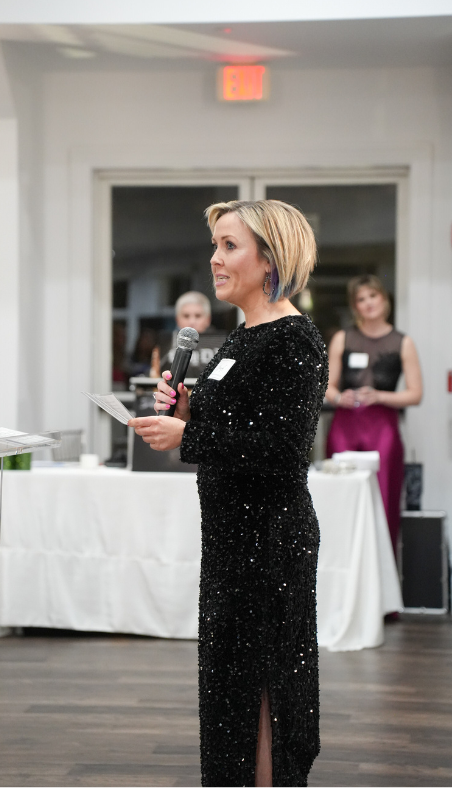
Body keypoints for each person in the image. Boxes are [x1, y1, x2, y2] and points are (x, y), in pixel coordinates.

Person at [129, 200, 326, 786]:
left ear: (270, 260)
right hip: (231, 542)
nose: (214, 259)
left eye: (229, 246)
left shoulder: (294, 337)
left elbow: (283, 449)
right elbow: (237, 422)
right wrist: (192, 408)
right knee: (231, 691)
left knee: (260, 689)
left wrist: (188, 433)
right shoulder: (242, 338)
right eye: (215, 246)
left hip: (268, 544)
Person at [325, 275, 422, 558]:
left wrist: (381, 396)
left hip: (383, 428)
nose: (368, 303)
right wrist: (338, 397)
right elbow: (327, 386)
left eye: (372, 296)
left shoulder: (403, 342)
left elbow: (415, 394)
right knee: (342, 498)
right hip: (345, 425)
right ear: (355, 306)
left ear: (384, 299)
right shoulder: (343, 337)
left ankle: (384, 593)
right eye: (361, 299)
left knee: (385, 500)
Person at [157, 290, 225, 380]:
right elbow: (155, 375)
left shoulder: (223, 343)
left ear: (208, 319)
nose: (192, 322)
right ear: (177, 319)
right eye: (186, 316)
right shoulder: (166, 343)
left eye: (198, 316)